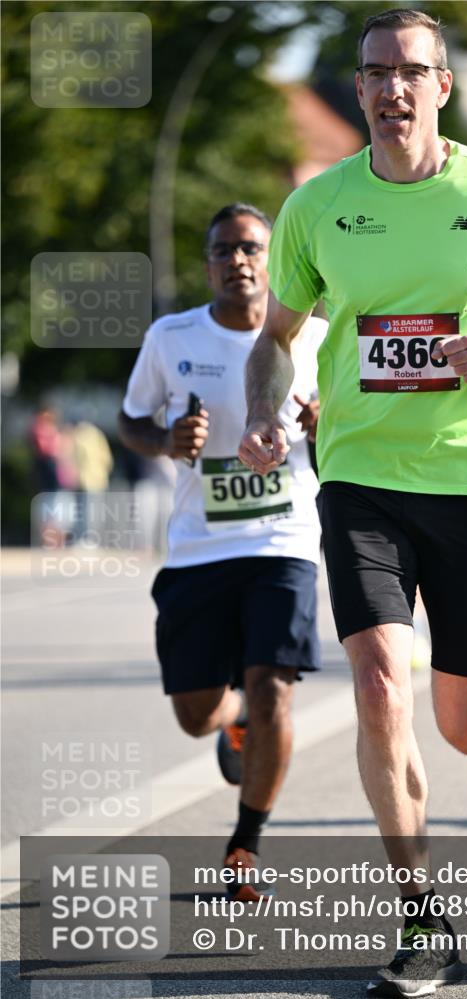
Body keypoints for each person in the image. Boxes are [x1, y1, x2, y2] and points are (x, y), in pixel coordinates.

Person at [239, 9, 467, 995]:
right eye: (375, 72)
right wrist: (266, 414)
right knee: (378, 687)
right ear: (357, 90)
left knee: (460, 720)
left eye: (411, 71)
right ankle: (421, 917)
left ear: (442, 87)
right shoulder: (316, 205)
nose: (392, 88)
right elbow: (276, 338)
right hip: (358, 475)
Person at [119, 202, 326, 899]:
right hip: (197, 550)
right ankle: (231, 719)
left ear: (273, 259)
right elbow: (130, 420)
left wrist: (326, 428)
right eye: (222, 251)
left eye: (250, 248)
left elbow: (345, 450)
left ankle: (245, 845)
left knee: (274, 692)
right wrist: (165, 442)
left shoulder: (317, 338)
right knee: (195, 714)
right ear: (207, 263)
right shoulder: (171, 336)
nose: (237, 261)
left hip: (284, 540)